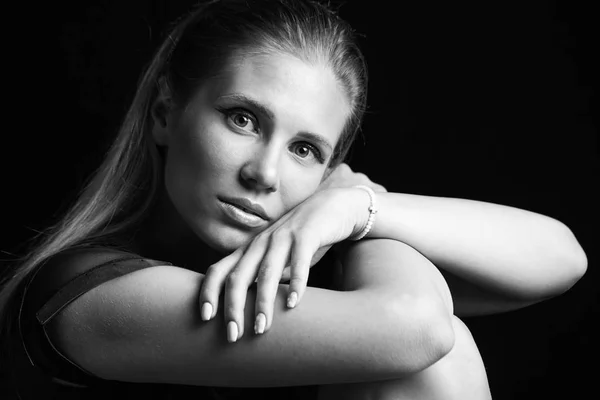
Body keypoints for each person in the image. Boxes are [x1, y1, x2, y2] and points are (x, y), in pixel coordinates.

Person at [0, 0, 588, 399]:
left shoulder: (291, 271)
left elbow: (563, 258)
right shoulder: (85, 293)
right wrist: (352, 198)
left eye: (305, 150)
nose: (264, 173)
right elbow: (417, 328)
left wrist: (354, 212)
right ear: (165, 112)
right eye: (243, 119)